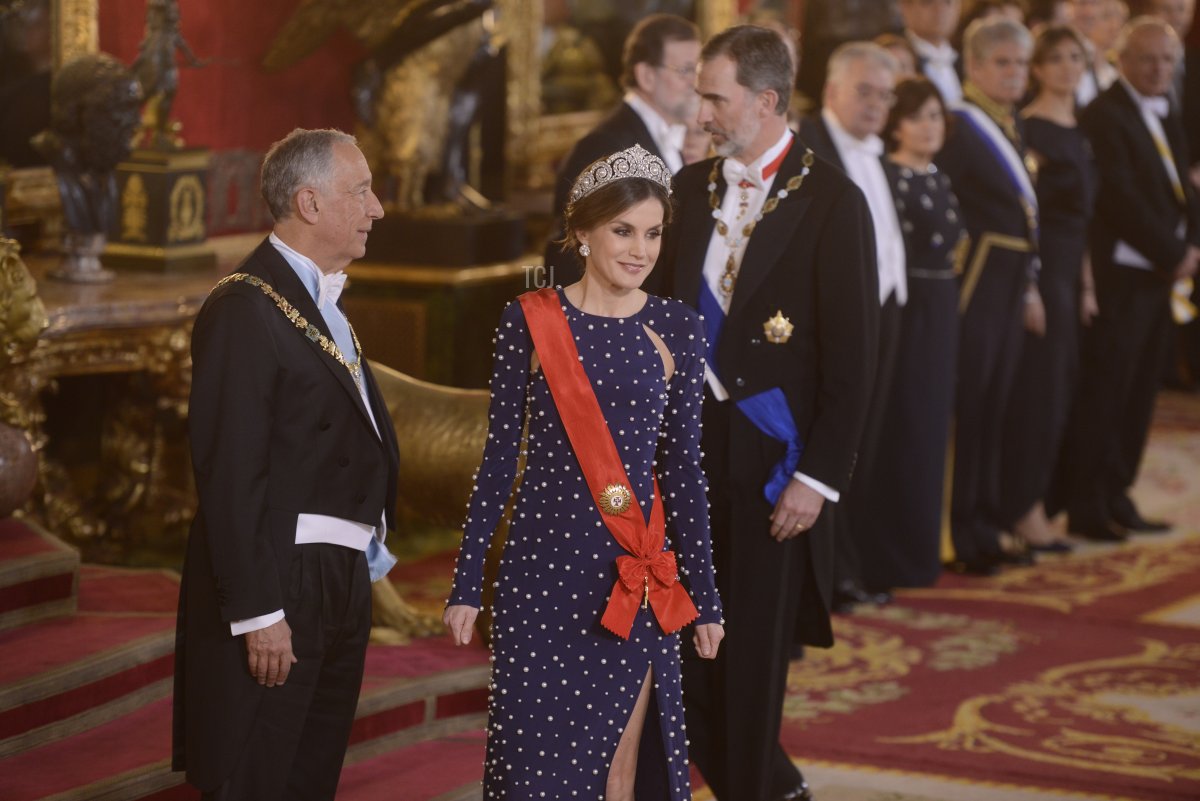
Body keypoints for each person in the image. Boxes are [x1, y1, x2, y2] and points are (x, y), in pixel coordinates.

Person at [444, 145, 724, 800]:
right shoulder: (529, 320)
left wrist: (706, 597)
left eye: (653, 232)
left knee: (617, 771)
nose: (640, 249)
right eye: (623, 230)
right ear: (582, 232)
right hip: (538, 578)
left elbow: (684, 470)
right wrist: (465, 581)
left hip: (629, 580)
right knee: (534, 773)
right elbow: (496, 461)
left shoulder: (677, 328)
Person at [664, 25, 879, 801]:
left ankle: (758, 784)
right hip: (685, 447)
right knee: (680, 641)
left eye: (715, 97)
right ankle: (774, 783)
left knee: (751, 653)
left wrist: (817, 478)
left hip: (772, 457)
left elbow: (855, 365)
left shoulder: (832, 201)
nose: (704, 110)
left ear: (763, 101)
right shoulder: (689, 189)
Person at [172, 128, 400, 801]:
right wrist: (258, 611)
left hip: (339, 575)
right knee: (258, 774)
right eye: (360, 191)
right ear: (309, 202)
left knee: (309, 776)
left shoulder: (319, 301)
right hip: (282, 581)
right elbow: (230, 472)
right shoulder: (244, 308)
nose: (377, 207)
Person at [1057, 17, 1200, 541]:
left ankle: (1119, 492)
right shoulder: (1104, 114)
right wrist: (1173, 252)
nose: (1159, 68)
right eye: (1148, 58)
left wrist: (1191, 248)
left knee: (1140, 395)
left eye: (1168, 60)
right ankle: (1086, 504)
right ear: (1122, 60)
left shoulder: (1167, 109)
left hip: (1160, 277)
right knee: (1106, 393)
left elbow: (1179, 186)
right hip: (1121, 277)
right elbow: (1118, 199)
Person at [798, 42, 906, 610]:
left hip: (885, 312)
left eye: (885, 96)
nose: (876, 105)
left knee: (867, 445)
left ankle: (851, 565)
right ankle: (827, 578)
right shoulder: (808, 151)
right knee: (831, 444)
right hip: (832, 321)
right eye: (864, 91)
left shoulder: (877, 152)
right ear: (832, 89)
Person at [934, 17, 1039, 575]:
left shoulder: (1008, 120)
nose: (1014, 74)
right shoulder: (961, 124)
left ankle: (984, 520)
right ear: (972, 66)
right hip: (974, 284)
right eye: (1002, 63)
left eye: (1021, 64)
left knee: (996, 404)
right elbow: (943, 202)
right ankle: (956, 532)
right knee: (969, 406)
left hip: (1007, 282)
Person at [859, 77, 966, 591]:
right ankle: (887, 558)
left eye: (937, 116)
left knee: (930, 429)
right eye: (920, 116)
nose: (931, 127)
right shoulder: (888, 176)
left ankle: (922, 553)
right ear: (896, 122)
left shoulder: (936, 175)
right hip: (910, 306)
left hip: (943, 306)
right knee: (903, 427)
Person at [1000, 24, 1097, 552]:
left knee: (1061, 389)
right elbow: (1028, 217)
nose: (1066, 67)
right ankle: (1022, 508)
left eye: (1075, 57)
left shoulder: (1078, 128)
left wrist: (1086, 285)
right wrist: (1032, 287)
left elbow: (1086, 219)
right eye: (1055, 58)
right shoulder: (1029, 129)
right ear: (1037, 69)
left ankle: (1036, 501)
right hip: (1040, 270)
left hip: (1070, 272)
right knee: (1037, 392)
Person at [543, 14, 700, 288]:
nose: (695, 83)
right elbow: (570, 252)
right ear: (646, 75)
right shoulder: (605, 146)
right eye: (685, 70)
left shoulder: (676, 138)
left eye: (697, 71)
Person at [900, 0, 966, 104]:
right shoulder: (896, 57)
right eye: (928, 2)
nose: (940, 10)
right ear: (905, 7)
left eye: (947, 2)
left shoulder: (968, 61)